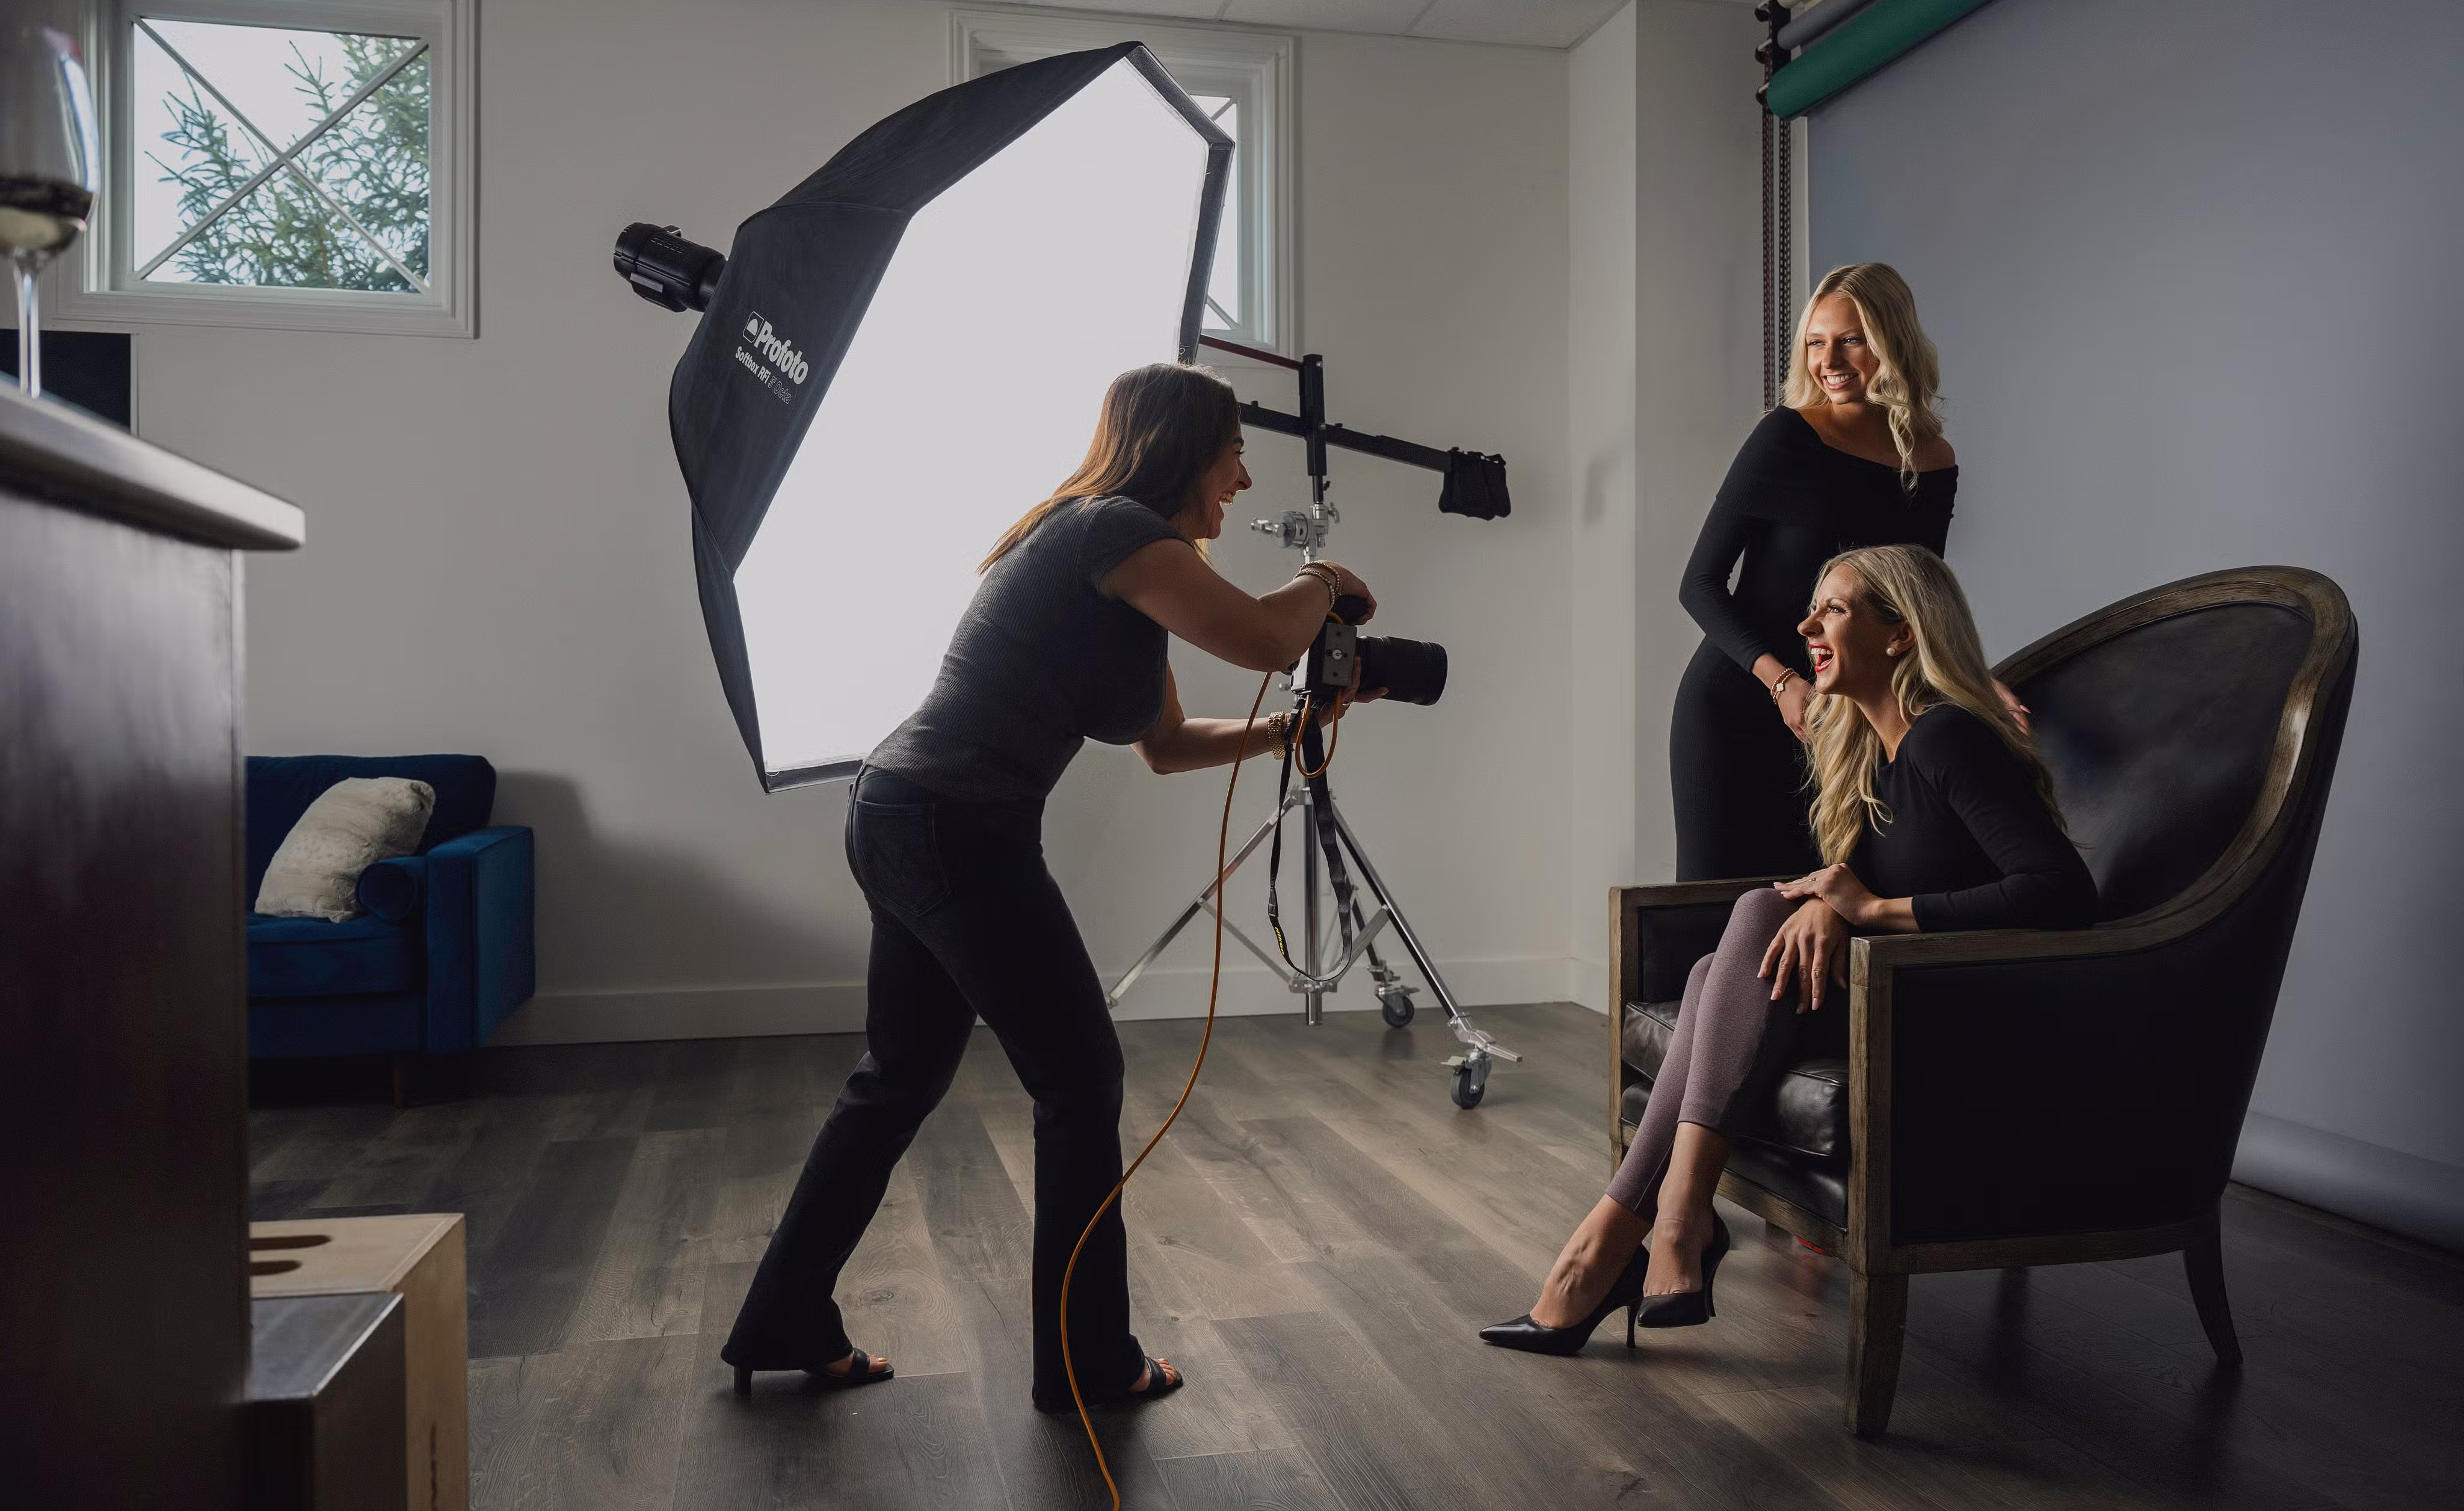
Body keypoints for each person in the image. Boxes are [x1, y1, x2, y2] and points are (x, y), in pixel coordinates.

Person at [722, 363, 1375, 1408]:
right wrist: (1326, 583)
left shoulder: (1124, 559)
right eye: (1235, 451)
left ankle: (784, 1315)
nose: (1244, 479)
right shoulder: (1109, 532)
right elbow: (1263, 634)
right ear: (1184, 447)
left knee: (899, 1078)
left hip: (912, 811)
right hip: (951, 824)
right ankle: (1085, 1362)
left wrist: (1292, 731)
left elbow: (1163, 745)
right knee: (1078, 1084)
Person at [1482, 543, 2095, 1355]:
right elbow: (1865, 880)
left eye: (1833, 608)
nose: (1806, 625)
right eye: (1812, 608)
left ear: (1902, 634)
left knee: (1751, 916)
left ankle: (1646, 1231)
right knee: (1720, 960)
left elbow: (2061, 891)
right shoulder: (1870, 751)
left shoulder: (1948, 740)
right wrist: (1836, 906)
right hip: (1889, 992)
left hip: (1953, 1011)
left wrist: (1872, 907)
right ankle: (1639, 1235)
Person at [1672, 262, 1987, 881]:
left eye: (1851, 339)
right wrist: (1783, 683)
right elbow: (1699, 584)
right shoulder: (1786, 437)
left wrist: (1972, 682)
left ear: (1891, 341)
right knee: (1712, 914)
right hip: (1737, 705)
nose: (1828, 360)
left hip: (1847, 719)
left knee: (1824, 909)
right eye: (1815, 342)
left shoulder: (1929, 459)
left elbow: (1919, 603)